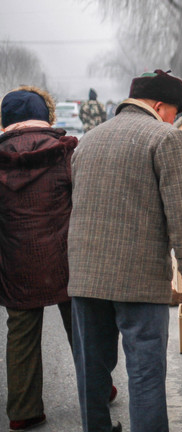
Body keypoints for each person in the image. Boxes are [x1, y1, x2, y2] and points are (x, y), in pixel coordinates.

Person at [67, 70, 182, 432]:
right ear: (159, 106)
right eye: (175, 112)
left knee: (91, 371)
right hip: (138, 278)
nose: (176, 120)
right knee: (145, 372)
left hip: (84, 275)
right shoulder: (165, 137)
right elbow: (181, 208)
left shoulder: (88, 140)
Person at [0, 87, 78, 431]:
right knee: (82, 326)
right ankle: (98, 388)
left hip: (16, 262)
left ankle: (24, 409)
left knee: (20, 332)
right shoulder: (65, 153)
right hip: (65, 259)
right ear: (45, 117)